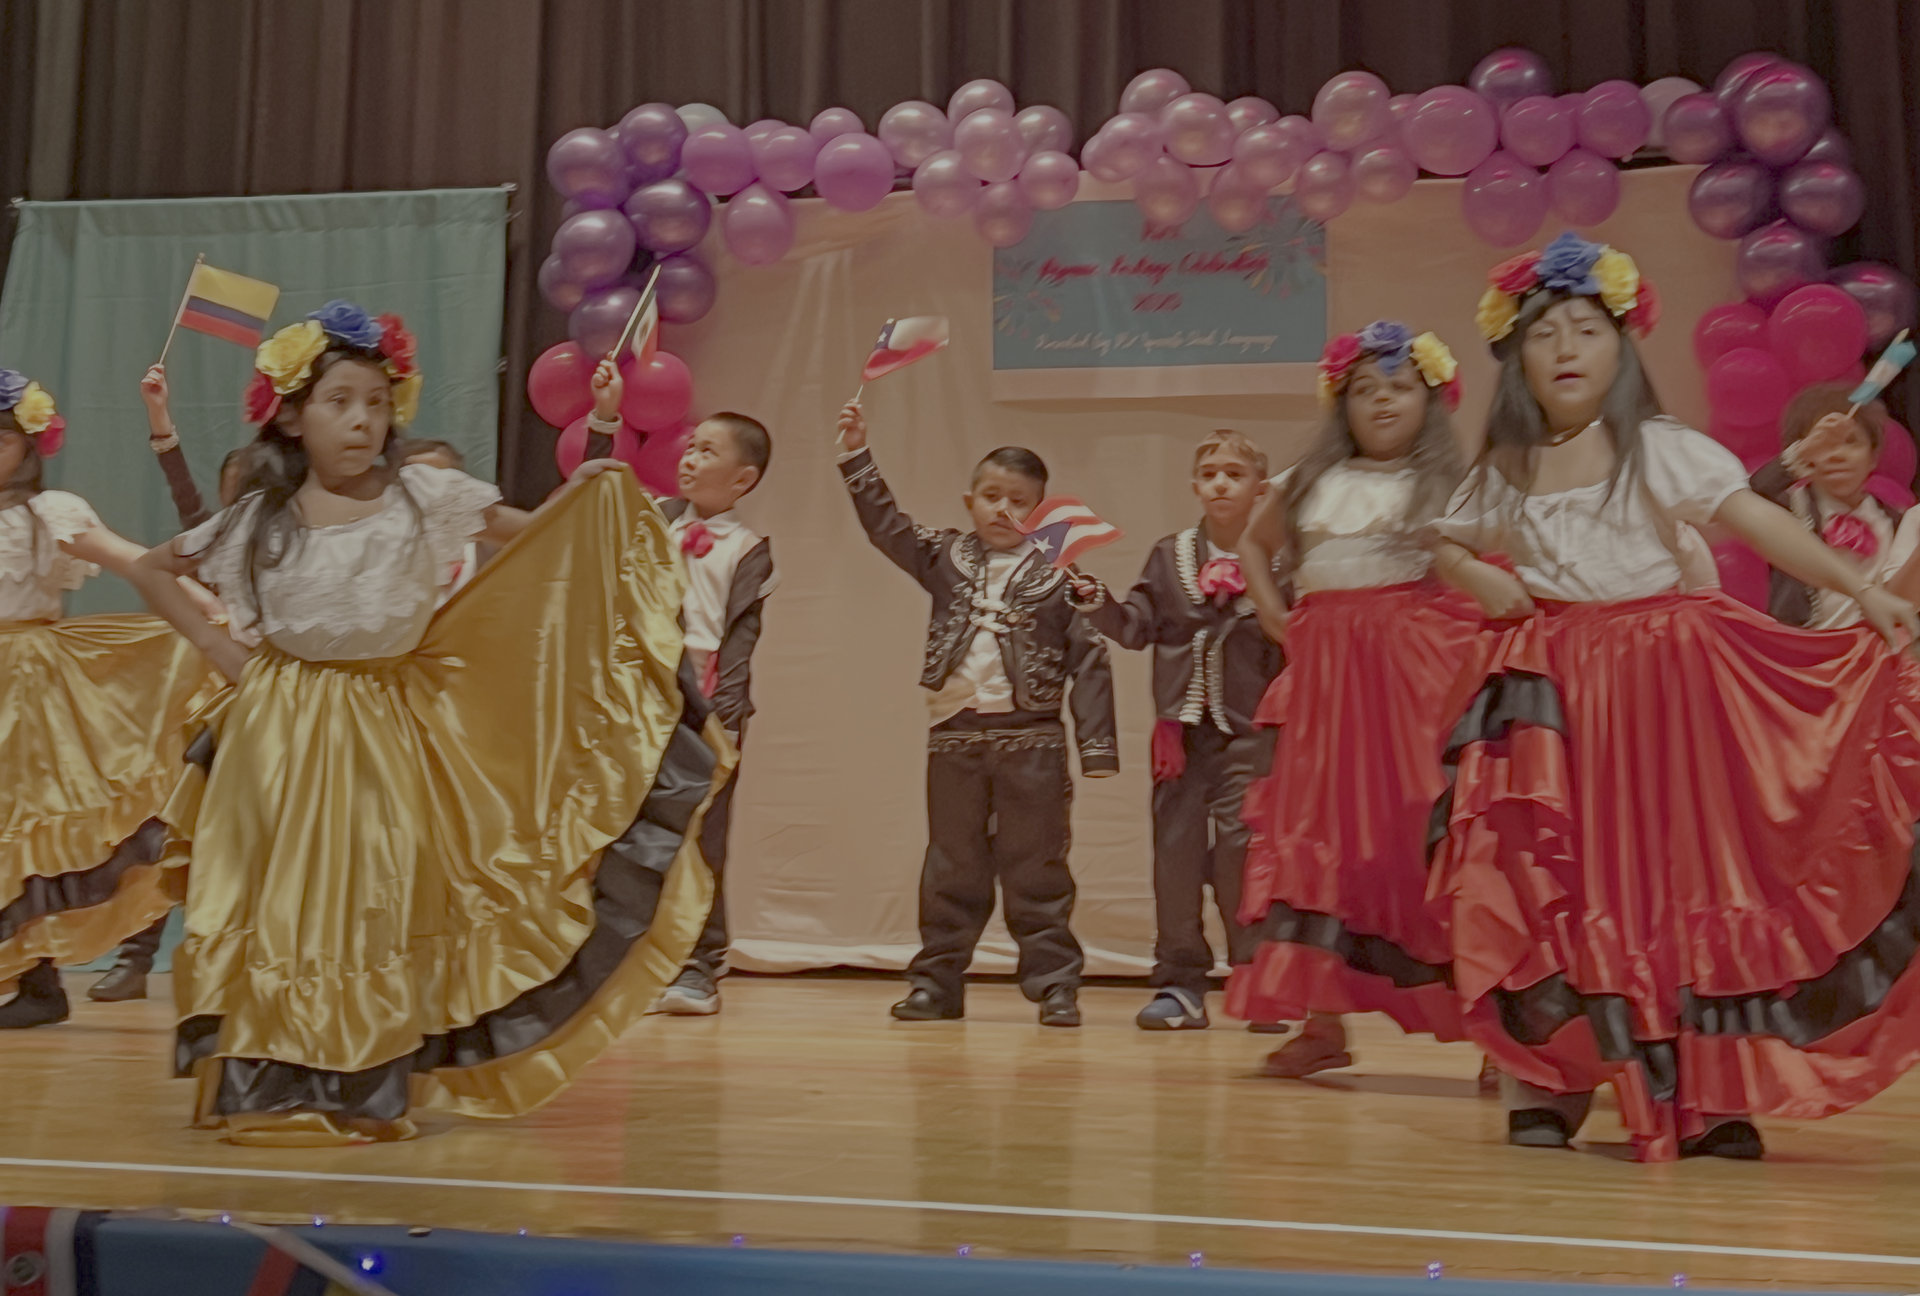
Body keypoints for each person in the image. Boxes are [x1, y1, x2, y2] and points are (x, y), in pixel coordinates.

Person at [129, 301, 731, 1145]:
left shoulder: (425, 494)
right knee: (273, 901)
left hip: (381, 722)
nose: (363, 421)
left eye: (376, 403)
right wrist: (219, 647)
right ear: (294, 415)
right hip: (275, 729)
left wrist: (587, 498)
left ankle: (358, 1080)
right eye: (340, 402)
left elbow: (542, 550)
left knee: (364, 898)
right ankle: (264, 1081)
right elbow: (155, 567)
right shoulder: (260, 517)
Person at [1431, 232, 1920, 1162]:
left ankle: (1708, 1084)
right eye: (1544, 335)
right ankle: (1554, 1081)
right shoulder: (1505, 467)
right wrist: (1474, 574)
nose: (1566, 349)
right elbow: (1448, 542)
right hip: (1555, 699)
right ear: (1517, 357)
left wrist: (1862, 591)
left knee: (1676, 882)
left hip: (1663, 689)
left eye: (1585, 329)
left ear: (1622, 346)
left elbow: (1760, 520)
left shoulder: (1660, 449)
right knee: (1553, 879)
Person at [1220, 322, 1487, 1075]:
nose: (1382, 402)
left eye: (1399, 388)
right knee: (1319, 836)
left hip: (1412, 676)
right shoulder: (1310, 479)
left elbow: (1479, 571)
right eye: (1366, 390)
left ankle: (1494, 1026)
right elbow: (1252, 543)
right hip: (1327, 681)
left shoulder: (1449, 486)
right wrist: (1275, 614)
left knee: (1422, 837)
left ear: (1428, 401)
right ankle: (1322, 1022)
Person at [834, 400, 1117, 1027]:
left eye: (1019, 500)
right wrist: (856, 454)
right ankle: (937, 984)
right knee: (951, 865)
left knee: (1037, 866)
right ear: (970, 502)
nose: (1003, 509)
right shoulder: (944, 557)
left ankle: (1055, 985)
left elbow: (1091, 661)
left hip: (1033, 743)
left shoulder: (1062, 577)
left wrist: (1097, 748)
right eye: (991, 496)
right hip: (954, 737)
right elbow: (887, 527)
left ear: (1041, 512)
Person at [0, 369, 217, 1028]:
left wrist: (206, 606)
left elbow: (134, 560)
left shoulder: (48, 514)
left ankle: (32, 981)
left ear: (29, 444)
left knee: (24, 828)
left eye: (4, 436)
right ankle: (33, 979)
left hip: (25, 684)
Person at [1066, 430, 1282, 1030]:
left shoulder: (1279, 556)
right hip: (1179, 738)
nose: (1221, 483)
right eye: (1210, 473)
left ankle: (1256, 978)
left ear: (1259, 488)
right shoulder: (1169, 555)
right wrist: (1097, 603)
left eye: (1234, 474)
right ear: (1194, 485)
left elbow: (1295, 637)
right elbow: (1136, 627)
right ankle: (1181, 983)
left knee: (1244, 851)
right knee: (1176, 857)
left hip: (1251, 732)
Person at [89, 368, 275, 1005]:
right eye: (228, 492)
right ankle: (136, 956)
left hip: (273, 707)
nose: (233, 500)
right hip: (201, 703)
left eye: (246, 488)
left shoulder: (295, 539)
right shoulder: (215, 540)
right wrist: (160, 420)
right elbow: (184, 497)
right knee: (168, 826)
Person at [628, 380, 776, 1016]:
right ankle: (632, 964)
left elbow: (741, 641)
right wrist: (605, 414)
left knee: (700, 835)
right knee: (631, 830)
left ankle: (698, 967)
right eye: (690, 445)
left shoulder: (750, 549)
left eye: (707, 450)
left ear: (742, 480)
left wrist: (728, 723)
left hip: (702, 698)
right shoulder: (653, 518)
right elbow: (587, 494)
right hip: (639, 692)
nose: (689, 456)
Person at [1747, 386, 1904, 628]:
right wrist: (1800, 452)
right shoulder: (1789, 508)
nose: (1836, 455)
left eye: (1851, 442)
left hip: (1881, 653)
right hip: (1811, 655)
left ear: (1873, 457)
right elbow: (1746, 497)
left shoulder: (1895, 520)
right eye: (1824, 445)